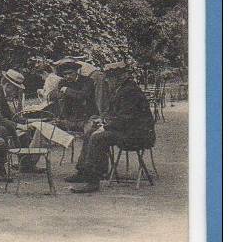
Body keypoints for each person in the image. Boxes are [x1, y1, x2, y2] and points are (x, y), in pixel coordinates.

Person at [66, 61, 155, 193]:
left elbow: (126, 119)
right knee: (91, 131)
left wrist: (106, 126)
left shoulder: (130, 92)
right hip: (128, 130)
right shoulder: (121, 89)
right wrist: (103, 122)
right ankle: (84, 171)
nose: (107, 82)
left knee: (98, 137)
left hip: (138, 134)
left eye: (110, 78)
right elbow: (116, 115)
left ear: (120, 78)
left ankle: (92, 181)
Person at [53, 58, 98, 131]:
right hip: (70, 118)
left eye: (70, 73)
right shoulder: (62, 83)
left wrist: (67, 90)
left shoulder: (87, 81)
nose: (67, 76)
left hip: (86, 117)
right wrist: (61, 117)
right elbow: (61, 101)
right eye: (65, 74)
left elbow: (82, 96)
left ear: (76, 71)